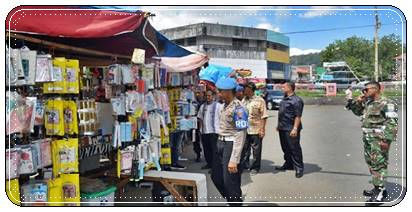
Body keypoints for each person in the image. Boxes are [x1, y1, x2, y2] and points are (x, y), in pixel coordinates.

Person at [348, 81, 398, 205]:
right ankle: (378, 188)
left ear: (376, 89)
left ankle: (379, 193)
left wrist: (386, 140)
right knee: (371, 163)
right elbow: (357, 112)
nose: (364, 92)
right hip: (368, 138)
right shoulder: (368, 102)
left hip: (379, 139)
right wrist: (358, 101)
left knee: (379, 164)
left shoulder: (387, 103)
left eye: (366, 90)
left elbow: (392, 123)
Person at [211, 77, 247, 206]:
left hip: (231, 145)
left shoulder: (239, 108)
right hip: (220, 143)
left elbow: (241, 133)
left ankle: (234, 202)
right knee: (215, 176)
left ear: (228, 91)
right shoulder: (223, 105)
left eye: (220, 91)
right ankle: (233, 198)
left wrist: (234, 159)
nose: (218, 93)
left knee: (230, 180)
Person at [275, 81, 305, 178]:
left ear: (290, 88)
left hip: (291, 128)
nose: (282, 88)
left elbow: (298, 116)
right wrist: (278, 125)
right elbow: (282, 113)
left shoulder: (297, 100)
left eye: (283, 87)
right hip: (282, 127)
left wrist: (295, 128)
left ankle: (299, 168)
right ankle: (288, 164)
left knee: (294, 148)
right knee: (285, 147)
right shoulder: (285, 99)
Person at [240, 82, 269, 175]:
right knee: (244, 149)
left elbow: (264, 116)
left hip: (256, 129)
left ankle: (255, 167)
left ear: (251, 90)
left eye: (246, 90)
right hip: (244, 129)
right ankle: (245, 165)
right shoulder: (243, 100)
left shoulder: (260, 100)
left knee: (256, 150)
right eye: (244, 89)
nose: (244, 91)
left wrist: (262, 129)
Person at [197, 90, 220, 170]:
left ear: (213, 96)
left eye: (209, 96)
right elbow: (200, 118)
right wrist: (200, 129)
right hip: (204, 132)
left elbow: (222, 118)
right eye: (206, 96)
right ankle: (209, 164)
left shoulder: (218, 106)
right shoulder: (202, 106)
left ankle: (215, 166)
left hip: (214, 132)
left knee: (214, 150)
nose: (208, 97)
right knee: (206, 149)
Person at [193, 90, 205, 162]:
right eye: (197, 93)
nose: (199, 94)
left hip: (203, 124)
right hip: (194, 124)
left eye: (200, 93)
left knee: (204, 140)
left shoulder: (205, 103)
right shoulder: (194, 102)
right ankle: (198, 154)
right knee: (195, 140)